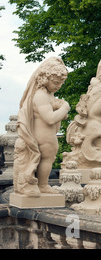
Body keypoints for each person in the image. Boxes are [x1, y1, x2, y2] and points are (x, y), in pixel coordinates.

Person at [13, 57, 70, 196]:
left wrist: (61, 110)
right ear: (44, 78)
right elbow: (50, 118)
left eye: (61, 83)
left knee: (48, 159)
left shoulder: (49, 96)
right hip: (42, 138)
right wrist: (65, 107)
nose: (58, 86)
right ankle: (42, 185)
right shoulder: (40, 96)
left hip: (48, 137)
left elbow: (57, 115)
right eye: (56, 82)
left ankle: (42, 184)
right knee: (45, 159)